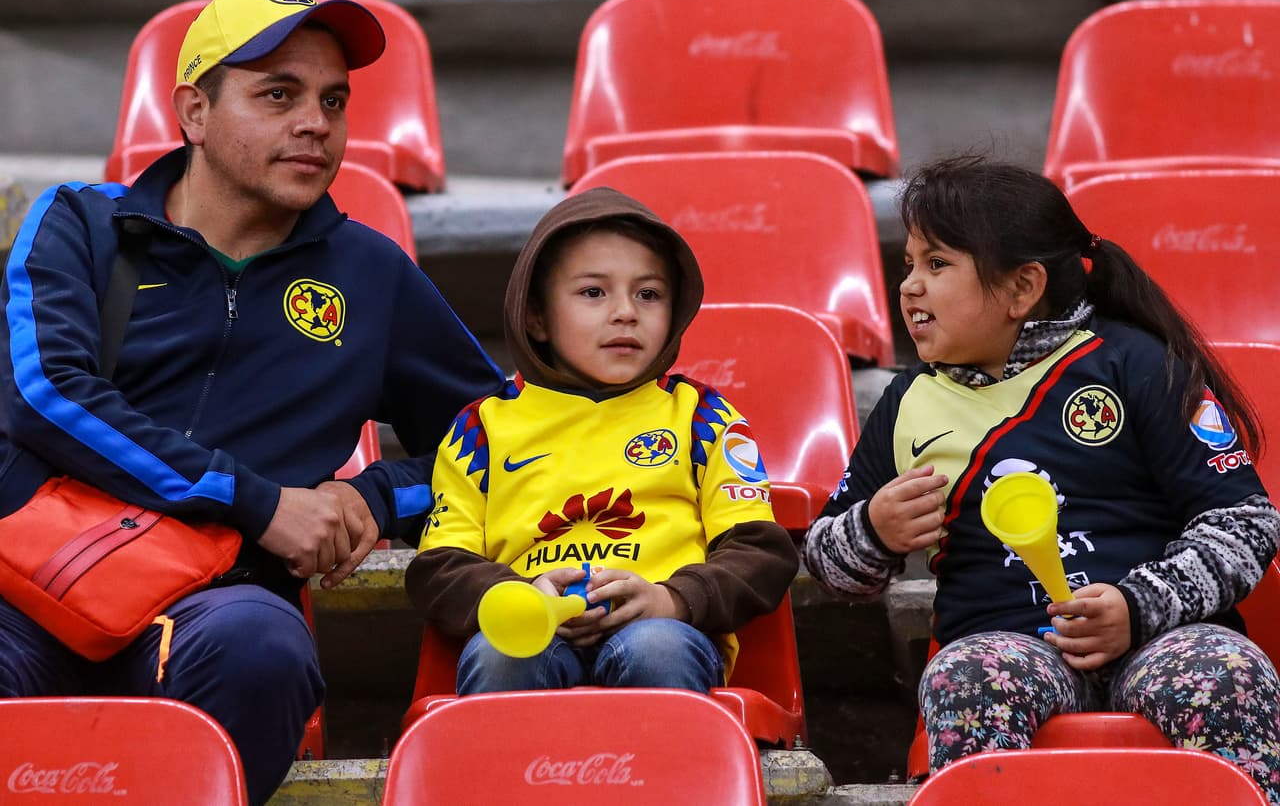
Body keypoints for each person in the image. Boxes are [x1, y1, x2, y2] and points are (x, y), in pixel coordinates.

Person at [0, 0, 503, 805]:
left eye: (333, 100)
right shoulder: (81, 224)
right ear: (194, 112)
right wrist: (261, 501)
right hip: (29, 584)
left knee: (263, 650)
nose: (317, 122)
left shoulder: (372, 277)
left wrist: (378, 496)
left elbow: (502, 441)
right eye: (279, 94)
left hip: (216, 605)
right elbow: (47, 394)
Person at [804, 155, 1280, 798]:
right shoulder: (906, 401)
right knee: (964, 678)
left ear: (1023, 287)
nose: (910, 286)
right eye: (909, 264)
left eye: (937, 264)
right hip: (1004, 644)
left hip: (1163, 637)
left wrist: (1137, 607)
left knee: (1227, 673)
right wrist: (873, 530)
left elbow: (1246, 522)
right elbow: (826, 561)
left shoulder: (1134, 363)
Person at [405, 187, 798, 695]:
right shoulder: (482, 427)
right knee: (502, 654)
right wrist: (519, 595)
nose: (625, 313)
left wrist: (672, 600)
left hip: (665, 629)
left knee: (655, 647)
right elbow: (439, 567)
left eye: (649, 294)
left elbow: (760, 552)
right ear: (536, 318)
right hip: (531, 630)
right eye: (594, 292)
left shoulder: (702, 417)